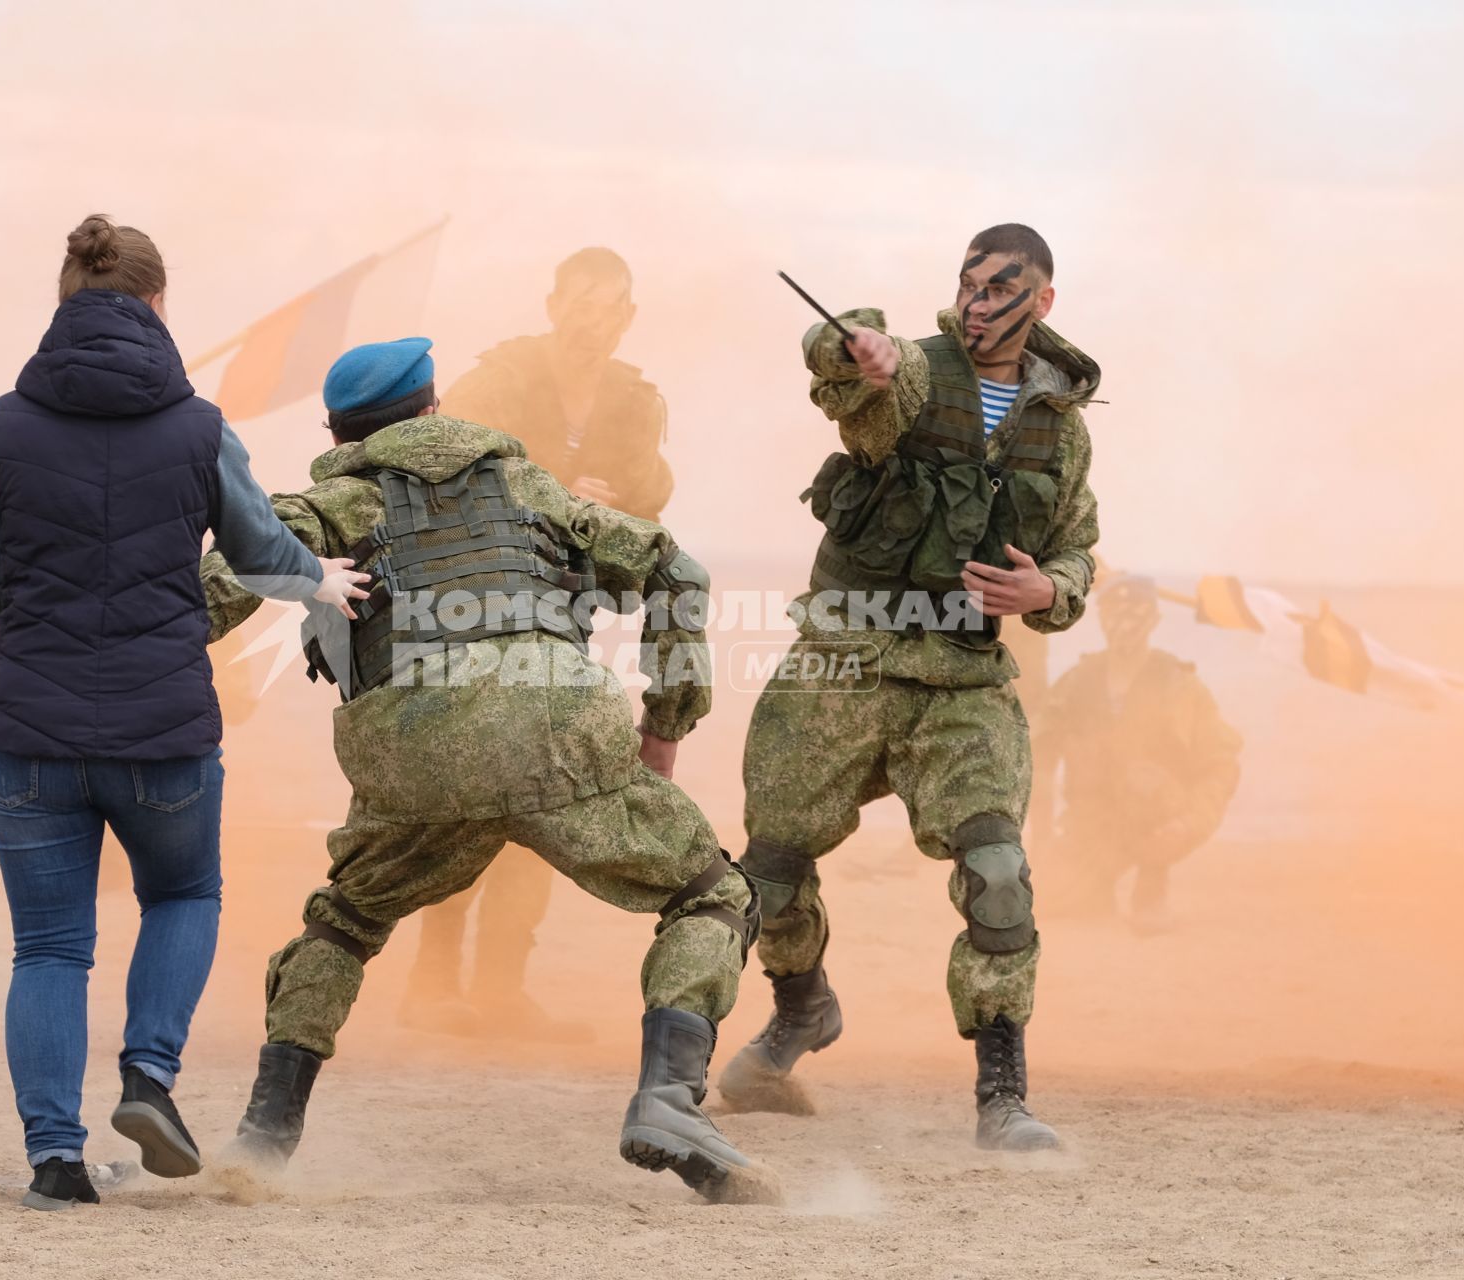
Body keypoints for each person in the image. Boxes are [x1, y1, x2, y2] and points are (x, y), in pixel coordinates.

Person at [199, 337, 772, 1203]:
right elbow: (671, 568)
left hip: (415, 750)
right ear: (435, 408)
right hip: (555, 728)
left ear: (340, 432)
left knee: (344, 924)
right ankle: (667, 1099)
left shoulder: (330, 503)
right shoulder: (528, 484)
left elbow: (227, 576)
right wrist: (666, 722)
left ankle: (264, 1137)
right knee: (713, 897)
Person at [0, 214, 369, 1211]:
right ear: (158, 305)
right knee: (182, 897)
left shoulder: (6, 420)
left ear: (65, 301)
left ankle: (56, 1160)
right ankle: (148, 1077)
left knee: (49, 947)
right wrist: (322, 582)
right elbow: (262, 551)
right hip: (162, 729)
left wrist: (47, 610)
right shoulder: (198, 423)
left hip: (30, 734)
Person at [722, 224, 1100, 1151]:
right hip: (844, 662)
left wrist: (1051, 590)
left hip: (961, 679)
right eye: (968, 285)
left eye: (1001, 288)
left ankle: (1002, 1094)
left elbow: (1078, 544)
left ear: (1041, 301)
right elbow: (845, 376)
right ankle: (800, 1008)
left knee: (999, 874)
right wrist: (868, 354)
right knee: (766, 876)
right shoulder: (919, 373)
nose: (979, 303)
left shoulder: (1061, 425)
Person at [397, 248, 673, 1042]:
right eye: (581, 303)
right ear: (554, 304)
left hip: (564, 618)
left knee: (545, 795)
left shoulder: (633, 399)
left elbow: (651, 491)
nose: (594, 320)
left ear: (627, 316)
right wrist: (552, 487)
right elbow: (439, 469)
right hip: (472, 613)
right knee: (468, 793)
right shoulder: (499, 380)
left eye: (611, 306)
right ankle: (432, 978)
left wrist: (625, 500)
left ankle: (502, 986)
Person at [1038, 575, 1242, 929]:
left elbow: (1220, 765)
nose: (1124, 623)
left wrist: (1189, 824)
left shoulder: (1179, 686)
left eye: (1135, 613)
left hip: (1156, 822)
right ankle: (1096, 888)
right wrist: (1037, 841)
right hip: (1091, 824)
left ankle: (1151, 890)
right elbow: (1035, 759)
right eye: (1114, 612)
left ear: (1154, 621)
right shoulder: (1076, 683)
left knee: (1142, 780)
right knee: (1035, 905)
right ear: (1100, 617)